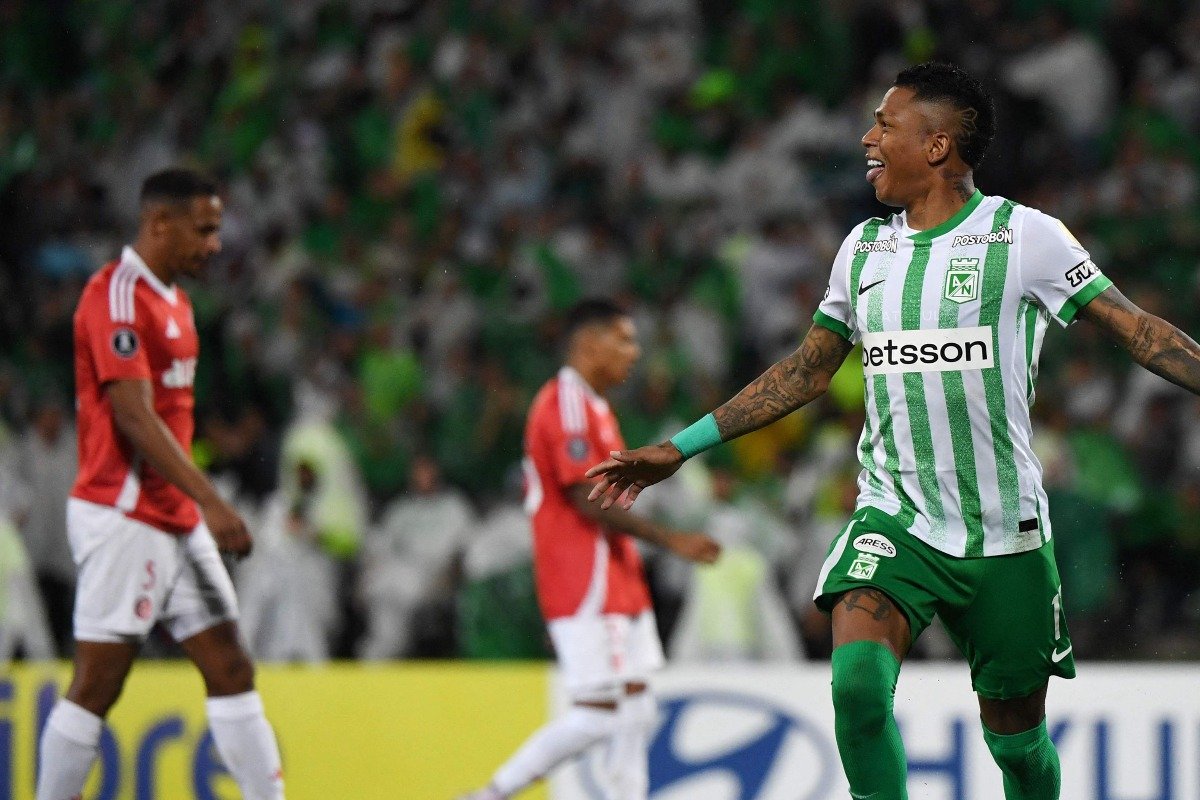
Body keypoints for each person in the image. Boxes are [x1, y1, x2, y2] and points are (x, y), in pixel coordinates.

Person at [586, 61, 1200, 800]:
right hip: (896, 517)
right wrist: (678, 449)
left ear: (937, 145)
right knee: (855, 688)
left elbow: (1137, 331)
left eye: (886, 123)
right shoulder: (864, 249)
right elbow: (806, 371)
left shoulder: (1026, 237)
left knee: (1019, 746)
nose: (868, 137)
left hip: (1003, 531)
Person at [37, 169, 286, 800]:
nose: (214, 244)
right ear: (159, 224)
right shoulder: (117, 296)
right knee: (97, 686)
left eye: (216, 230)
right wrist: (214, 500)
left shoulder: (176, 300)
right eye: (203, 230)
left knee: (230, 665)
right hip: (125, 515)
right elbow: (132, 414)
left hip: (173, 517)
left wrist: (194, 503)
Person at [460, 299, 721, 800]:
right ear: (587, 342)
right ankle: (489, 795)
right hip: (584, 578)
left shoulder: (596, 405)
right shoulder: (567, 404)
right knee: (598, 716)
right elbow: (587, 498)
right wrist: (671, 541)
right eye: (624, 339)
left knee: (637, 708)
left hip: (616, 575)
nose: (635, 352)